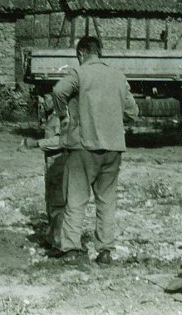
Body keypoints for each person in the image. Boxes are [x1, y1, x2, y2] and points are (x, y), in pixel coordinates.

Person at [52, 36, 138, 266]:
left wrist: (64, 116)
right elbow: (133, 111)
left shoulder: (79, 73)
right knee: (107, 201)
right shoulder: (118, 76)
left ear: (81, 54)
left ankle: (71, 248)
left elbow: (59, 91)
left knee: (76, 199)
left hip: (84, 146)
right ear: (99, 52)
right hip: (113, 148)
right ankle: (105, 251)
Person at [19, 94, 66, 250]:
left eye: (45, 98)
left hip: (60, 164)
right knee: (51, 201)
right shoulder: (51, 117)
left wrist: (35, 144)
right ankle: (52, 237)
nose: (42, 102)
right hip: (52, 165)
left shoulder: (60, 117)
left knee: (58, 203)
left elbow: (60, 141)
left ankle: (59, 242)